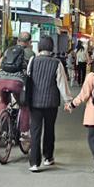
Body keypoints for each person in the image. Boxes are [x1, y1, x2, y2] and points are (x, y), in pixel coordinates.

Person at [26, 34, 71, 172]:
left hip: (35, 102)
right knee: (49, 129)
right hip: (51, 102)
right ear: (51, 47)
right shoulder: (56, 63)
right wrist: (68, 100)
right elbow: (62, 83)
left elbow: (28, 78)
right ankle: (48, 157)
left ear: (39, 46)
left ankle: (34, 163)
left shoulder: (33, 60)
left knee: (35, 131)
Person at [0, 32, 32, 134]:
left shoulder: (9, 50)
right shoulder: (29, 53)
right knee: (23, 105)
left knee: (3, 102)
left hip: (2, 80)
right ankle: (24, 132)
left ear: (17, 40)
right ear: (29, 42)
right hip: (16, 82)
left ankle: (0, 125)